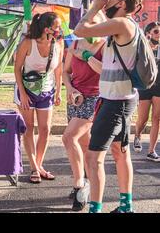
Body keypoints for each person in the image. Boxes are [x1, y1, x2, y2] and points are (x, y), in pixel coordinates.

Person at [74, 0, 143, 213]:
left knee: (94, 158)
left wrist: (94, 6)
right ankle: (126, 206)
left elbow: (80, 30)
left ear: (122, 4)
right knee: (120, 152)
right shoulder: (124, 24)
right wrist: (101, 8)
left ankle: (95, 209)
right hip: (122, 98)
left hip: (115, 102)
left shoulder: (121, 23)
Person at [14, 12, 63, 184]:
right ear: (46, 28)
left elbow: (58, 69)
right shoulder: (28, 43)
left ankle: (39, 165)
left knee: (45, 129)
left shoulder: (58, 44)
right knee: (29, 127)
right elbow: (17, 68)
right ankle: (34, 167)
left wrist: (58, 92)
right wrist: (23, 92)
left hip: (47, 90)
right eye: (57, 27)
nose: (59, 30)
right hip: (26, 89)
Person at [62, 31, 105, 211]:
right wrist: (70, 88)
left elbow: (105, 71)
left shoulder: (105, 44)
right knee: (83, 143)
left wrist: (87, 56)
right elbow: (66, 72)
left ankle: (79, 184)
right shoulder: (76, 43)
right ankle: (87, 181)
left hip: (95, 98)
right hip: (75, 97)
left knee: (69, 137)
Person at [133, 22, 160, 162]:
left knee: (157, 118)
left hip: (159, 85)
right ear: (149, 33)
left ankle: (151, 151)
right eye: (156, 32)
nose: (158, 34)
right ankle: (137, 135)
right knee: (143, 119)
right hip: (145, 85)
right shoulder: (144, 46)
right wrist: (148, 45)